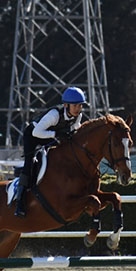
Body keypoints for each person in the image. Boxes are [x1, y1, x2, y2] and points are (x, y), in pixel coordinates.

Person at [14, 86, 87, 218]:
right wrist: (56, 134)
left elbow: (76, 130)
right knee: (30, 163)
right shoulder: (54, 115)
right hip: (33, 136)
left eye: (80, 105)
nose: (78, 108)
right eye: (75, 105)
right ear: (66, 105)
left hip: (50, 136)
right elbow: (37, 132)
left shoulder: (78, 116)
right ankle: (20, 201)